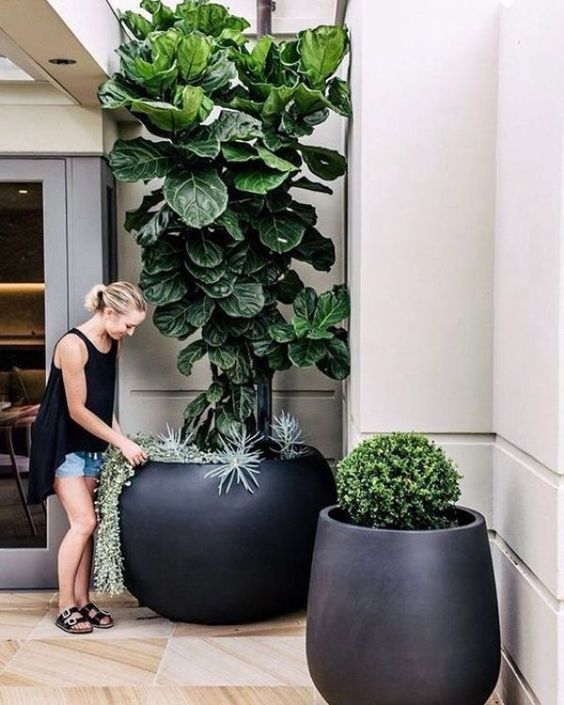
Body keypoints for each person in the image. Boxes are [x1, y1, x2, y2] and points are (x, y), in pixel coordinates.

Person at [27, 281, 149, 634]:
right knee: (83, 523)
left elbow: (101, 405)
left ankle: (83, 601)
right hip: (63, 443)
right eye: (128, 324)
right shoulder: (72, 345)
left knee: (87, 525)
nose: (130, 332)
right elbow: (77, 410)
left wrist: (120, 439)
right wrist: (121, 444)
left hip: (91, 443)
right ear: (109, 312)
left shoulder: (112, 344)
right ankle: (65, 605)